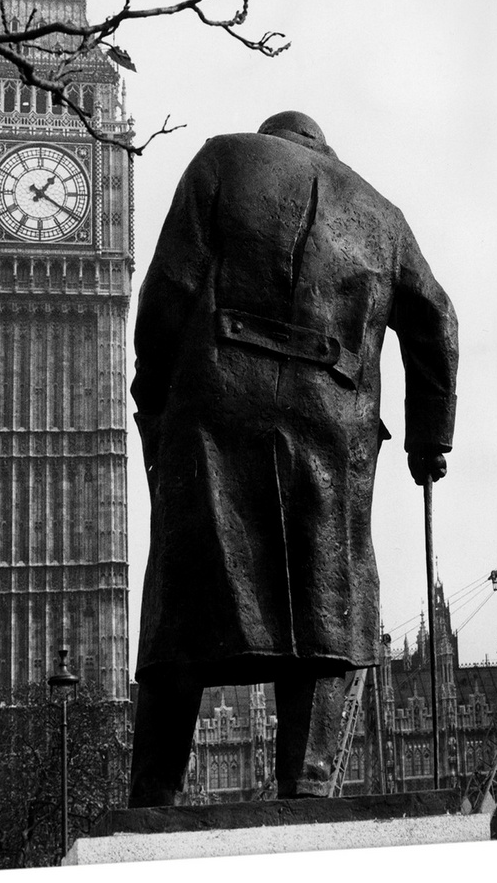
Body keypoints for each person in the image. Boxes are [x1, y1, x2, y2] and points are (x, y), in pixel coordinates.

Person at [128, 111, 458, 806]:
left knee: (185, 594)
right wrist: (430, 439)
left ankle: (153, 794)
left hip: (218, 404)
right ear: (324, 148)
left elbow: (171, 286)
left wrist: (152, 385)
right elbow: (437, 321)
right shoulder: (381, 213)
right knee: (324, 601)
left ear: (271, 138)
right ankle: (307, 785)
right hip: (331, 423)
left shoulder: (221, 159)